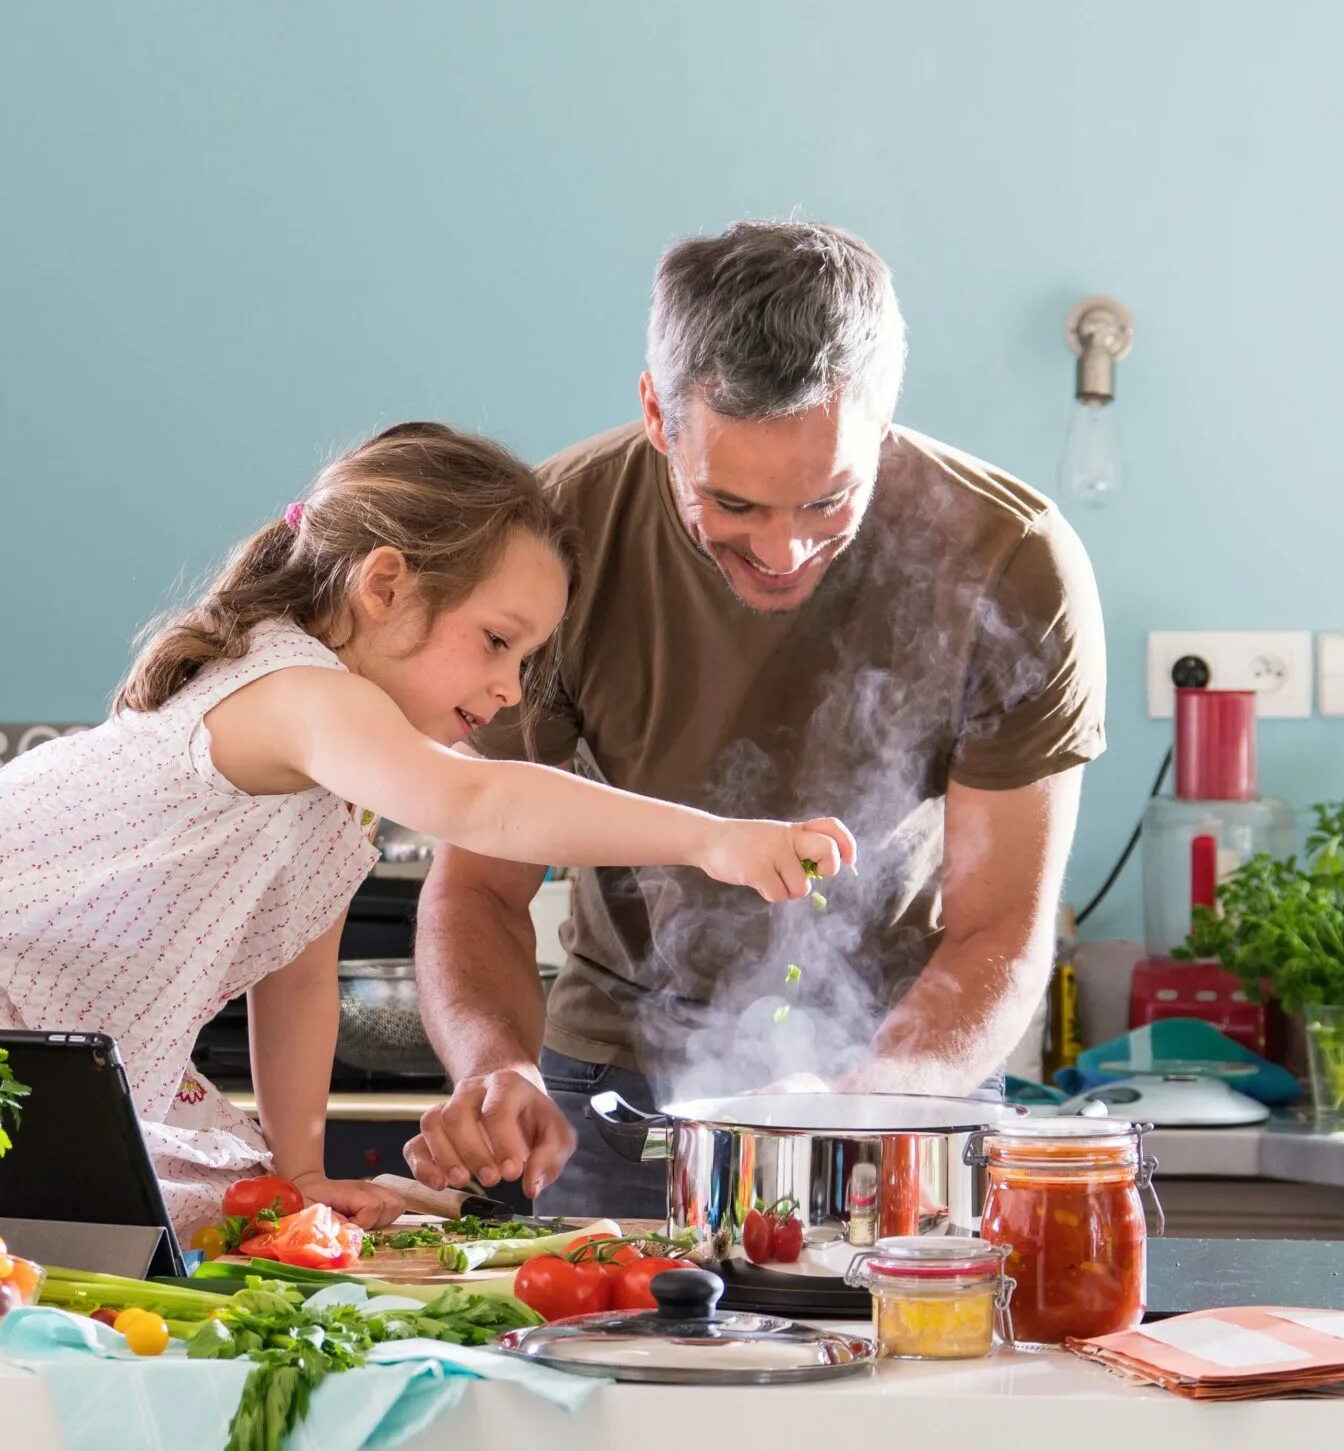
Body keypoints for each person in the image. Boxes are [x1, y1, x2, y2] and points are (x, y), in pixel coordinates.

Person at [0, 421, 852, 1242]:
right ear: (385, 585)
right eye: (497, 641)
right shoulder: (301, 694)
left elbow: (293, 981)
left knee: (185, 1213)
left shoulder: (332, 779)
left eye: (529, 660)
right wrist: (715, 839)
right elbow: (479, 803)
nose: (511, 689)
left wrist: (300, 1167)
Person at [407, 221, 1108, 1216]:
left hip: (902, 1079)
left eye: (829, 501)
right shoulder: (553, 542)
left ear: (883, 416)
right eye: (731, 505)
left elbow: (999, 931)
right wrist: (493, 1069)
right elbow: (477, 883)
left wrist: (866, 1108)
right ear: (657, 413)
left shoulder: (1012, 560)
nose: (781, 552)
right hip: (611, 1089)